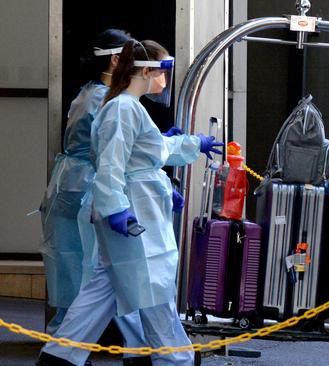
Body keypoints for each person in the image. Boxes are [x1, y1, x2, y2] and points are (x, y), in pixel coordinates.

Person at [36, 39, 222, 366]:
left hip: (136, 207)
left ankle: (59, 356)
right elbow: (112, 163)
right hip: (134, 214)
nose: (165, 80)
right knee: (154, 286)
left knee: (104, 288)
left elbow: (146, 154)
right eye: (163, 70)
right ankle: (174, 359)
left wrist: (188, 145)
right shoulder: (123, 108)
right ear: (145, 70)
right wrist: (116, 208)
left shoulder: (126, 106)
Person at [39, 29, 155, 366]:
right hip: (89, 194)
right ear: (117, 61)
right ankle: (136, 349)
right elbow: (120, 153)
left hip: (70, 190)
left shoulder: (89, 94)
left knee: (84, 275)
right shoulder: (109, 101)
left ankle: (65, 348)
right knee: (104, 275)